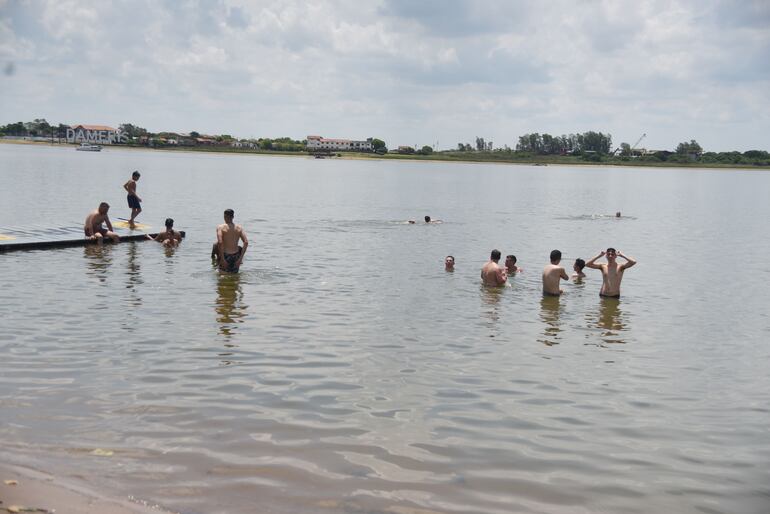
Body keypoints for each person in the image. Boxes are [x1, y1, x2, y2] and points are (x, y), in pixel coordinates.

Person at [211, 209, 248, 273]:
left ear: (224, 216)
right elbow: (246, 242)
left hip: (225, 255)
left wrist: (222, 259)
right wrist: (240, 259)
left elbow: (220, 242)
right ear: (233, 217)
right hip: (236, 256)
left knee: (222, 277)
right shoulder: (239, 228)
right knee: (234, 276)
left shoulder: (220, 227)